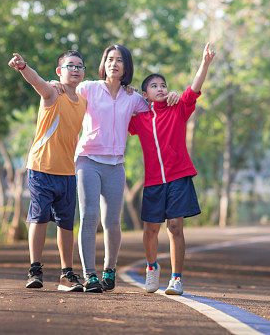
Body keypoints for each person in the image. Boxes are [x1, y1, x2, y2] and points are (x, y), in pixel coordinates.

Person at [72, 44, 180, 293]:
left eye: (119, 60)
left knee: (112, 221)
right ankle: (90, 275)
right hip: (88, 161)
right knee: (89, 217)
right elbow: (67, 92)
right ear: (104, 64)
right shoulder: (88, 88)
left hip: (115, 165)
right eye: (110, 59)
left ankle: (109, 270)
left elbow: (155, 105)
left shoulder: (132, 98)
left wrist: (171, 93)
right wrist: (55, 85)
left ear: (126, 67)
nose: (114, 63)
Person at [127, 42, 216, 295]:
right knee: (150, 230)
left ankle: (176, 278)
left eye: (163, 85)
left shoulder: (178, 108)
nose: (160, 89)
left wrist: (205, 63)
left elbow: (195, 88)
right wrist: (129, 93)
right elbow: (119, 110)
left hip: (179, 176)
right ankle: (152, 267)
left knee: (175, 226)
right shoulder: (139, 119)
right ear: (145, 95)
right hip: (154, 181)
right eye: (153, 86)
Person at [8, 50, 87, 291]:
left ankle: (66, 275)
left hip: (67, 172)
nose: (75, 70)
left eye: (79, 66)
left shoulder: (83, 101)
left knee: (65, 224)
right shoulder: (52, 92)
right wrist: (23, 67)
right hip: (41, 167)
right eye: (70, 66)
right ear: (59, 71)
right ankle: (35, 270)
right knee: (39, 216)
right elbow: (38, 83)